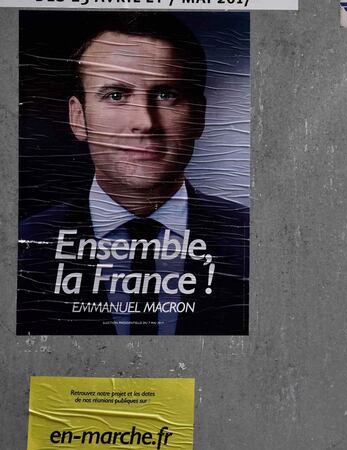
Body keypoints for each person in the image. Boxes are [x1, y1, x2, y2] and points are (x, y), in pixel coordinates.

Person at [17, 13, 248, 335]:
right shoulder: (21, 249)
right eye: (116, 95)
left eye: (166, 94)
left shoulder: (254, 242)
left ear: (199, 116)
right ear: (78, 117)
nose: (145, 122)